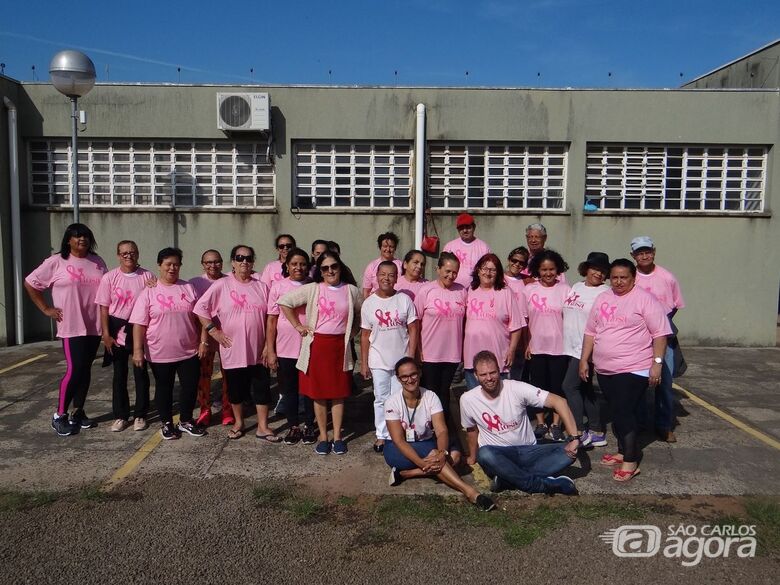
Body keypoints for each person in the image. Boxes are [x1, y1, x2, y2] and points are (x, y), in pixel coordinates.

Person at [579, 259, 671, 482]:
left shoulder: (645, 300)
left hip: (634, 367)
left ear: (633, 278)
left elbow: (660, 334)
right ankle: (622, 450)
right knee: (618, 411)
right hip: (606, 368)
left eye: (624, 277)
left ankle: (631, 460)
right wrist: (584, 360)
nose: (619, 282)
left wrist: (657, 364)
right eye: (615, 277)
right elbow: (591, 332)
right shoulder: (604, 297)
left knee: (624, 412)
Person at [24, 223, 107, 436]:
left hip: (93, 325)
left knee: (85, 369)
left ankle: (78, 411)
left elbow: (108, 290)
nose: (82, 240)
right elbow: (30, 283)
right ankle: (59, 415)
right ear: (68, 240)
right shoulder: (56, 261)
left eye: (86, 236)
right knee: (75, 369)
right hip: (71, 326)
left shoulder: (97, 262)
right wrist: (45, 309)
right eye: (77, 236)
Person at [460, 350, 580, 495]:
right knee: (485, 454)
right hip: (498, 455)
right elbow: (471, 430)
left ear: (499, 371)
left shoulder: (516, 387)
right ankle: (541, 485)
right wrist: (473, 457)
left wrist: (574, 437)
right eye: (483, 374)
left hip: (527, 450)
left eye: (492, 373)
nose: (489, 378)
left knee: (569, 452)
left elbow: (559, 401)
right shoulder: (467, 399)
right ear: (475, 376)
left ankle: (508, 479)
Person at [278, 251, 362, 455]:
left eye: (334, 266)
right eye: (325, 268)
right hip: (317, 347)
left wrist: (351, 333)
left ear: (340, 267)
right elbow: (284, 302)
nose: (330, 271)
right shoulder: (313, 289)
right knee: (318, 395)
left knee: (339, 394)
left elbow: (360, 314)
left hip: (339, 348)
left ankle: (338, 437)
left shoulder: (351, 290)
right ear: (320, 271)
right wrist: (299, 326)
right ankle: (323, 436)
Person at [385, 357, 495, 512]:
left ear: (420, 373)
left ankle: (406, 474)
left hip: (426, 443)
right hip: (397, 450)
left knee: (453, 456)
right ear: (398, 379)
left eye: (413, 374)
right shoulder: (392, 402)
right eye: (404, 376)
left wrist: (441, 453)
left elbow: (442, 430)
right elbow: (399, 440)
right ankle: (470, 492)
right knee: (446, 459)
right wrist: (425, 462)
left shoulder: (430, 396)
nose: (410, 379)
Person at [194, 245, 279, 441]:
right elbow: (200, 309)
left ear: (253, 262)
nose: (244, 262)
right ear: (233, 262)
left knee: (261, 388)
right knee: (235, 390)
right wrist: (214, 332)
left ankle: (263, 427)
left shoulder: (261, 287)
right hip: (232, 349)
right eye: (240, 258)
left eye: (248, 258)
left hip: (259, 351)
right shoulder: (222, 285)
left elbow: (270, 318)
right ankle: (239, 423)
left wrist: (269, 346)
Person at [130, 247, 207, 440]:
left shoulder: (188, 288)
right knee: (164, 388)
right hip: (159, 352)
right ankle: (166, 423)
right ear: (159, 266)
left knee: (190, 386)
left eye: (176, 264)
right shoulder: (149, 291)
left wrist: (203, 341)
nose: (172, 268)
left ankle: (186, 420)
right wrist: (138, 350)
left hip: (188, 350)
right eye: (168, 264)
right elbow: (139, 324)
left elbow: (201, 316)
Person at [630, 236, 685, 443]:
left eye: (647, 251)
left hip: (663, 339)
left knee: (665, 383)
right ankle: (641, 422)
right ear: (633, 256)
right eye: (639, 253)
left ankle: (664, 425)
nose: (644, 256)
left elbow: (675, 305)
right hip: (636, 338)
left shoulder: (667, 277)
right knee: (638, 382)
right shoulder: (630, 276)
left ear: (654, 251)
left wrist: (659, 326)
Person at [95, 240, 153, 432]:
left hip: (139, 330)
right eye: (124, 253)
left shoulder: (147, 276)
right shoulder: (109, 278)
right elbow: (104, 308)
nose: (129, 255)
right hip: (117, 329)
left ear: (138, 253)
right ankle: (121, 415)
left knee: (141, 374)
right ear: (118, 255)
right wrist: (106, 333)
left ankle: (141, 415)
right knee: (119, 375)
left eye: (132, 252)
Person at [360, 261, 419, 453]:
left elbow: (413, 329)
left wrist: (411, 357)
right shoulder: (369, 303)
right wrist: (364, 363)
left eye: (391, 275)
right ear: (376, 276)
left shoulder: (404, 300)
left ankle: (399, 435)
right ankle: (382, 435)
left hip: (401, 360)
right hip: (378, 360)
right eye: (383, 274)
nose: (386, 278)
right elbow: (365, 335)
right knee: (381, 398)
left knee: (400, 398)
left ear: (397, 278)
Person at [265, 247, 317, 445]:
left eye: (303, 264)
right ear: (287, 266)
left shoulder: (314, 286)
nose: (298, 267)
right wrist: (270, 350)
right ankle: (294, 426)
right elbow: (271, 321)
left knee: (310, 390)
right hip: (286, 347)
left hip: (309, 346)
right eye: (294, 264)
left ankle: (310, 425)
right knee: (290, 389)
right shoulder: (278, 287)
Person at [414, 252, 467, 435]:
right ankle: (426, 428)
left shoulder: (462, 291)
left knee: (444, 392)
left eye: (455, 272)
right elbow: (415, 323)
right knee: (429, 392)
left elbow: (467, 321)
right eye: (447, 271)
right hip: (430, 352)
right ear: (438, 269)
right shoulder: (426, 291)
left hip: (452, 352)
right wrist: (418, 349)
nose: (451, 276)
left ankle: (443, 431)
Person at [561, 252, 611, 447]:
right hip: (569, 346)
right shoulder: (577, 286)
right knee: (585, 388)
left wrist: (589, 354)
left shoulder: (604, 293)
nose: (598, 273)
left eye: (602, 270)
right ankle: (597, 430)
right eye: (595, 269)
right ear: (586, 269)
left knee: (569, 386)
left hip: (585, 349)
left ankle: (578, 430)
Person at [522, 249, 572, 441]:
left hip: (559, 347)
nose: (548, 273)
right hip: (536, 347)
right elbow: (524, 320)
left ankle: (556, 424)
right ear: (537, 270)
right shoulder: (529, 290)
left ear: (558, 269)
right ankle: (541, 422)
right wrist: (526, 344)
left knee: (557, 387)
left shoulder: (566, 290)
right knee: (538, 387)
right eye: (544, 269)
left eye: (552, 269)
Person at [463, 253, 525, 390]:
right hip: (471, 359)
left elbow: (516, 325)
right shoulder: (470, 291)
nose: (488, 273)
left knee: (498, 401)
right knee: (475, 402)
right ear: (478, 270)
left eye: (492, 270)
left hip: (498, 358)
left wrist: (512, 350)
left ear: (498, 273)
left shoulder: (505, 292)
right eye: (485, 268)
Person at [189, 250, 232, 427]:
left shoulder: (230, 280)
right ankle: (205, 409)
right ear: (202, 264)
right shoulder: (195, 283)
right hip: (204, 336)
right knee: (204, 375)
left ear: (222, 263)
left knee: (228, 374)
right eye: (208, 262)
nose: (212, 265)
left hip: (227, 335)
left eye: (216, 262)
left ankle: (227, 409)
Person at [442, 213, 492, 288]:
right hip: (453, 290)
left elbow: (489, 270)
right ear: (458, 230)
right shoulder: (449, 246)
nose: (465, 230)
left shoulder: (484, 247)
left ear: (474, 227)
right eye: (461, 228)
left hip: (476, 290)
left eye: (468, 227)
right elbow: (442, 270)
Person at [504, 246, 530, 381]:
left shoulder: (527, 282)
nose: (517, 264)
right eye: (514, 260)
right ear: (509, 259)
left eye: (522, 263)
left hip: (521, 332)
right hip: (503, 331)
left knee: (516, 376)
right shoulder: (499, 279)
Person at [361, 232, 402, 298]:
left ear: (395, 248)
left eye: (391, 247)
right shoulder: (372, 266)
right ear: (380, 247)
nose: (388, 249)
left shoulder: (400, 265)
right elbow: (366, 291)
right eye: (385, 246)